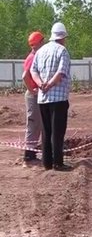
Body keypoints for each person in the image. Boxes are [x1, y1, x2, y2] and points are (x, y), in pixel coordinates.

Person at [30, 22, 72, 171]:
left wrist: (41, 84)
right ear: (62, 37)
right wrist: (50, 84)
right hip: (58, 98)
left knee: (46, 131)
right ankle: (58, 163)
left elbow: (32, 71)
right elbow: (60, 73)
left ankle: (46, 162)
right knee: (57, 131)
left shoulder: (41, 51)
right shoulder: (62, 51)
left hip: (43, 98)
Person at [21, 31, 45, 165]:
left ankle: (32, 154)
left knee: (37, 125)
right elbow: (25, 76)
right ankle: (28, 157)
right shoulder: (32, 57)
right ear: (39, 42)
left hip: (34, 94)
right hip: (32, 95)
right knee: (33, 124)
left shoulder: (35, 55)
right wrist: (32, 90)